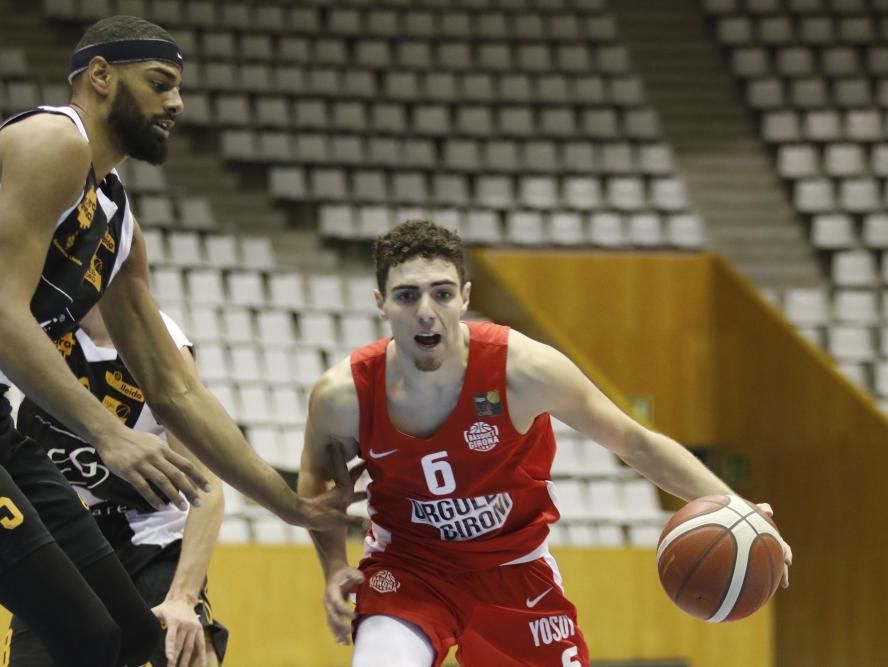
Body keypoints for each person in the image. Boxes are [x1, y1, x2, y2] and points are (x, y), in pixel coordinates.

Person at [0, 15, 358, 667]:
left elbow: (176, 390)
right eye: (160, 82)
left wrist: (292, 506)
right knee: (88, 637)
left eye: (180, 88)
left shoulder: (117, 220)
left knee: (136, 637)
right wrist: (107, 432)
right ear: (101, 78)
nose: (177, 102)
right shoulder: (53, 139)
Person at [299, 220, 794, 667]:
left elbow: (636, 443)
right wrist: (335, 567)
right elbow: (316, 480)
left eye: (442, 294)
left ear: (465, 297)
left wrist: (738, 509)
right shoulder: (344, 396)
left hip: (514, 571)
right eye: (407, 296)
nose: (426, 312)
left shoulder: (524, 370)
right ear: (380, 302)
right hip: (407, 570)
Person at [6, 307, 228, 667]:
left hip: (146, 531)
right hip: (62, 530)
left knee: (190, 650)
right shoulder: (32, 315)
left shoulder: (160, 344)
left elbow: (207, 487)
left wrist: (184, 597)